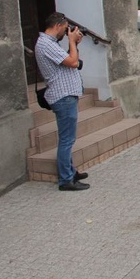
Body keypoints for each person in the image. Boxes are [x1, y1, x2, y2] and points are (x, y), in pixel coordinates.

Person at [35, 12, 89, 191]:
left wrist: (75, 44)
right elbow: (73, 63)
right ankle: (66, 180)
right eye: (65, 29)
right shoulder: (45, 44)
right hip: (62, 96)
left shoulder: (50, 44)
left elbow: (69, 60)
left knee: (68, 139)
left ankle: (71, 172)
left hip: (66, 94)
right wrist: (72, 42)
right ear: (58, 25)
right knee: (67, 140)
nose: (66, 32)